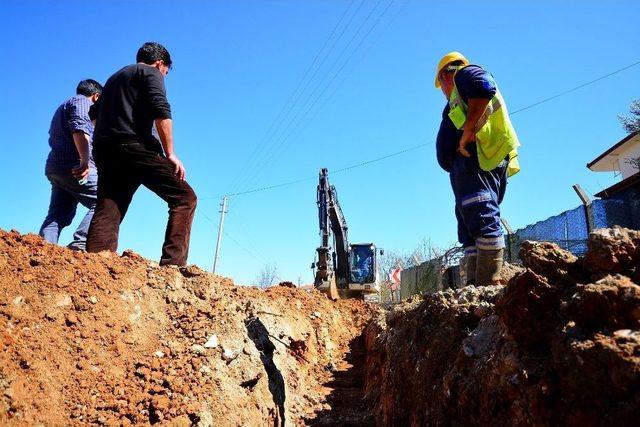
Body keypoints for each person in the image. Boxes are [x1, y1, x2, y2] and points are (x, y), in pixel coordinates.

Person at [86, 42, 197, 266]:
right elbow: (161, 109)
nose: (164, 75)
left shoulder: (114, 78)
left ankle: (94, 267)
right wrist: (170, 153)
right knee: (184, 197)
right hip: (136, 147)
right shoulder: (150, 72)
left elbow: (93, 114)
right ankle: (173, 265)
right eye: (166, 71)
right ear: (159, 63)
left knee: (110, 205)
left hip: (106, 149)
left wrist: (111, 132)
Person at [434, 52, 520, 286]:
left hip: (477, 162)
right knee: (469, 227)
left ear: (444, 76)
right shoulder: (458, 96)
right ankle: (473, 286)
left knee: (481, 212)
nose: (442, 90)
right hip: (466, 168)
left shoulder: (464, 74)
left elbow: (483, 86)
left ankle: (487, 284)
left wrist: (469, 129)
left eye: (440, 84)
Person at [39, 79, 103, 251]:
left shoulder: (62, 108)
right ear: (96, 97)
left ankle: (43, 249)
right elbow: (80, 130)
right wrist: (84, 162)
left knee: (58, 215)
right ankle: (80, 244)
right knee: (106, 199)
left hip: (56, 169)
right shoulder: (82, 102)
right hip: (75, 167)